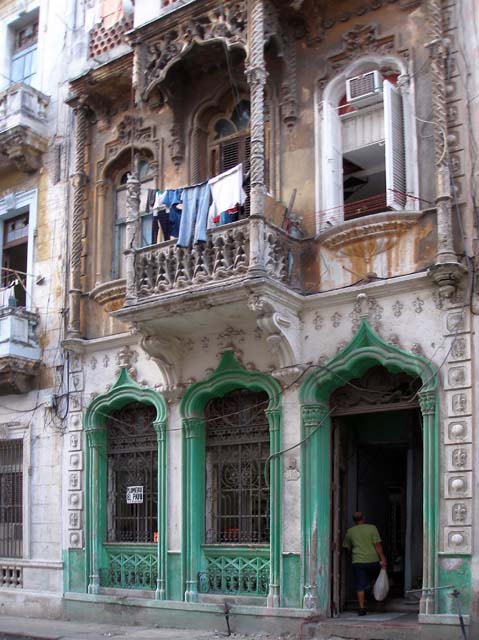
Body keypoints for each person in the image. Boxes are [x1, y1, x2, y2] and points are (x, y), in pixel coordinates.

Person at [342, 511, 387, 616]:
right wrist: (383, 559)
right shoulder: (372, 528)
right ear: (364, 518)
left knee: (360, 585)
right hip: (373, 560)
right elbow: (377, 545)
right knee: (376, 581)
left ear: (354, 521)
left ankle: (361, 608)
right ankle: (378, 603)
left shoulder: (350, 532)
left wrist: (352, 555)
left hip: (358, 561)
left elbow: (347, 548)